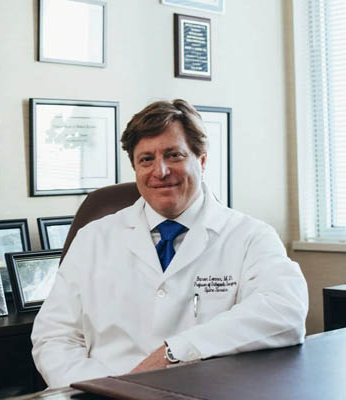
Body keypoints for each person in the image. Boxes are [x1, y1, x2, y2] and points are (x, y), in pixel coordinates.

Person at [31, 99, 309, 388]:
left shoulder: (249, 236)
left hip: (203, 392)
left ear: (201, 160)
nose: (160, 171)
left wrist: (175, 352)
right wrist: (105, 387)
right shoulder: (93, 238)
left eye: (174, 155)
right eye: (146, 159)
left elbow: (284, 310)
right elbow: (54, 337)